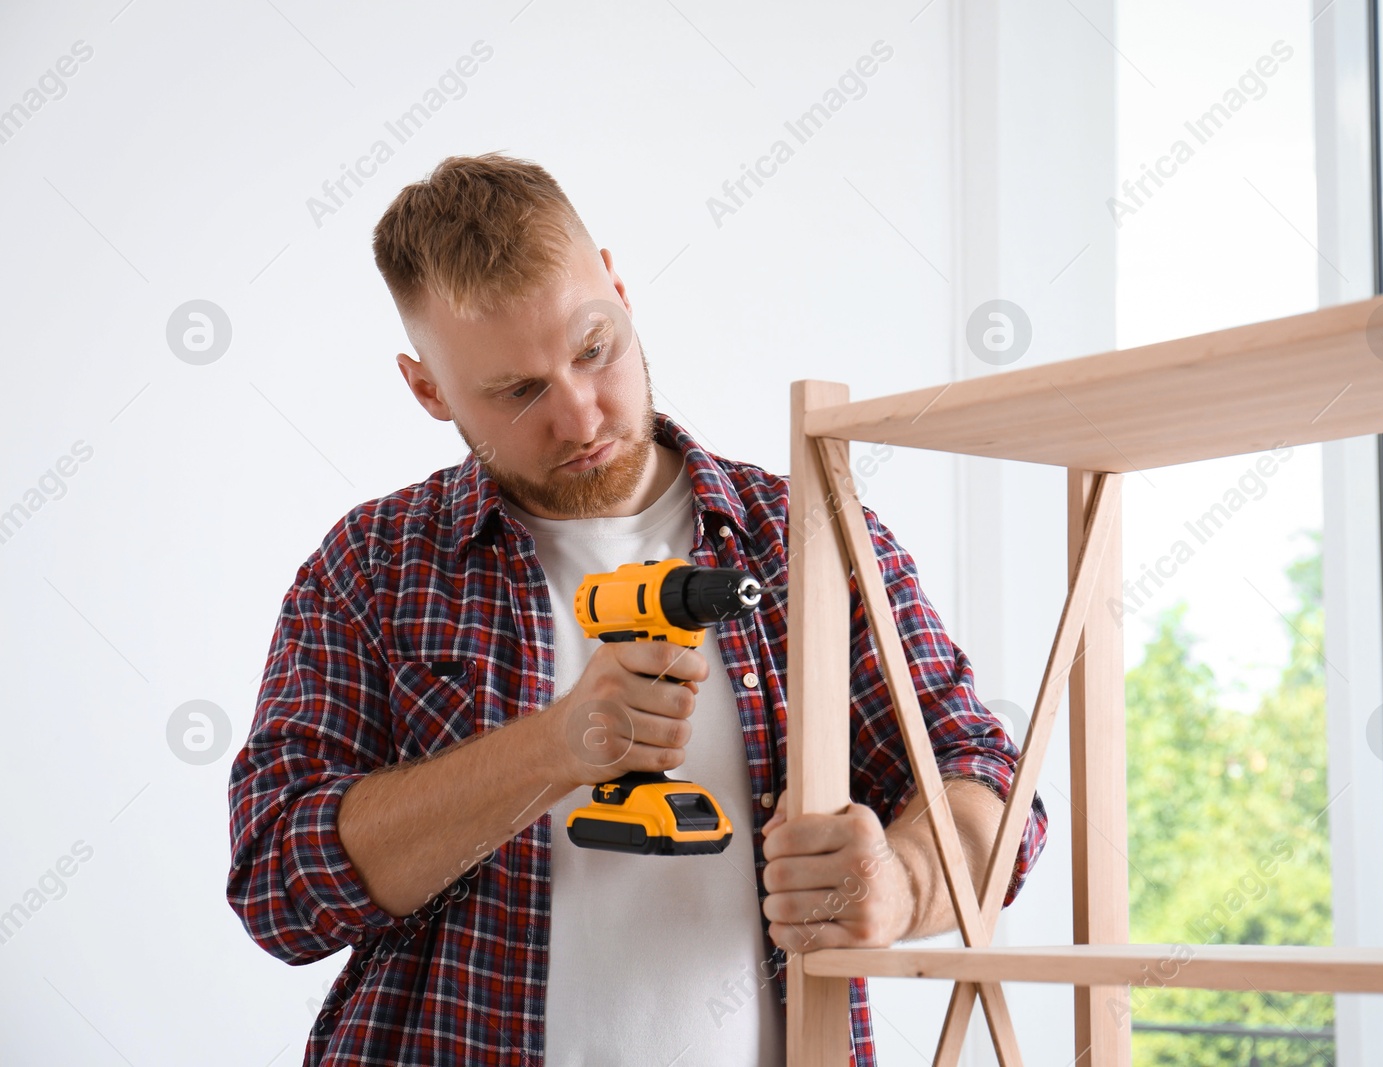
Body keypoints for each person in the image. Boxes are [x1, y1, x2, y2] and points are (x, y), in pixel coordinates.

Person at [225, 151, 1048, 1067]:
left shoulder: (807, 540)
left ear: (617, 287)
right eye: (517, 390)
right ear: (428, 389)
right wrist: (553, 749)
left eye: (592, 349)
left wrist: (900, 885)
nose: (579, 417)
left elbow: (985, 781)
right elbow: (275, 886)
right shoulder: (371, 568)